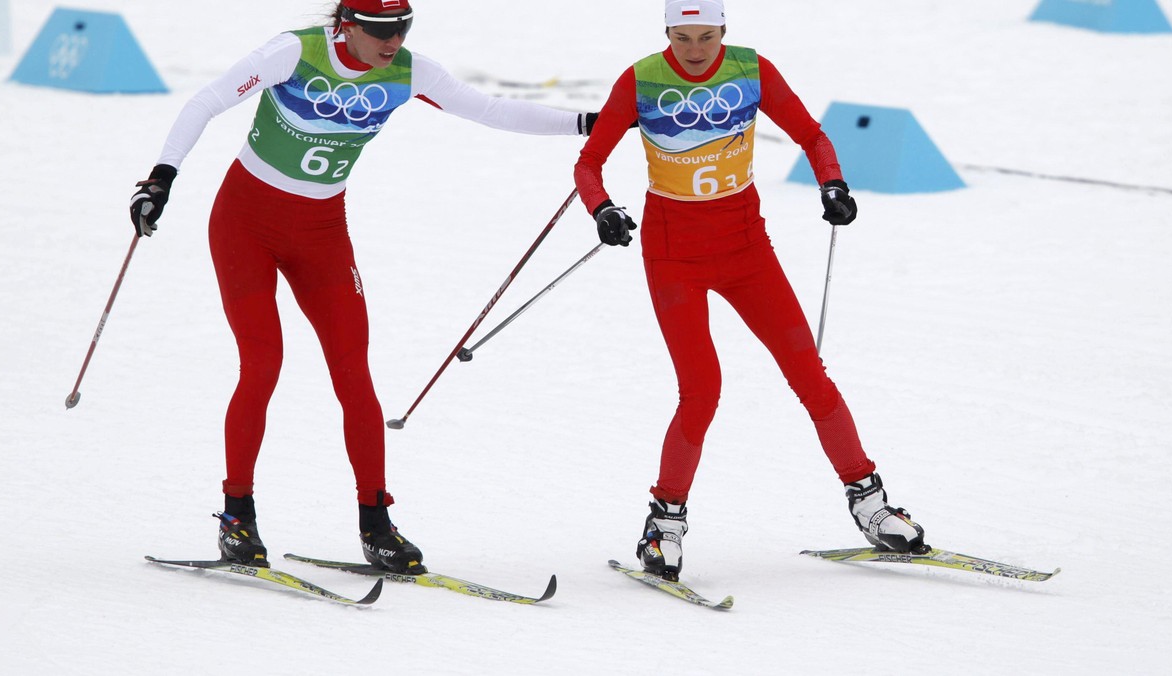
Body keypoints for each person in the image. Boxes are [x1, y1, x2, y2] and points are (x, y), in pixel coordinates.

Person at [130, 0, 603, 574]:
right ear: (345, 25)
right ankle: (237, 519)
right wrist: (162, 178)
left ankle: (376, 525)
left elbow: (491, 109)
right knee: (263, 364)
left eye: (402, 28)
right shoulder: (294, 51)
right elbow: (207, 101)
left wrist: (587, 122)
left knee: (354, 372)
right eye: (380, 30)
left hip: (324, 233)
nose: (392, 41)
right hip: (245, 225)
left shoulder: (408, 71)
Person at [573, 0, 926, 581]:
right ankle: (663, 526)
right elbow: (589, 164)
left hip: (745, 249)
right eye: (682, 37)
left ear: (724, 32)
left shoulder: (750, 70)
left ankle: (871, 504)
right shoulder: (641, 79)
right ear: (666, 32)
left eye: (705, 37)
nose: (694, 50)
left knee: (808, 372)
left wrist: (832, 184)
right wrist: (603, 209)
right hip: (673, 255)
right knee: (702, 389)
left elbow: (812, 136)